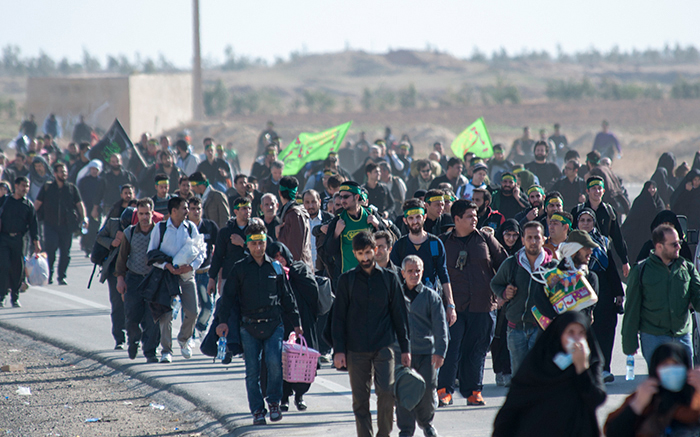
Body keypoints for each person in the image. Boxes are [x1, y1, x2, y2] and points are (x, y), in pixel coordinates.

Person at [215, 222, 302, 425]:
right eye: (254, 243)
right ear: (247, 244)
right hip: (249, 326)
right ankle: (257, 410)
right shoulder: (239, 269)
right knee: (252, 371)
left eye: (262, 242)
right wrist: (222, 323)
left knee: (274, 364)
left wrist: (297, 323)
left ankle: (273, 403)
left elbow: (287, 297)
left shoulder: (276, 267)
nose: (259, 247)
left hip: (274, 324)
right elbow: (227, 299)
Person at [332, 231, 410, 437]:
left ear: (375, 250)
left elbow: (400, 315)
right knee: (360, 401)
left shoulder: (390, 279)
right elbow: (337, 319)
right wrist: (338, 351)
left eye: (368, 252)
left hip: (384, 346)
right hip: (355, 350)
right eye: (360, 253)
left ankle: (384, 434)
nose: (365, 258)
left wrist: (405, 348)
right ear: (354, 254)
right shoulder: (346, 281)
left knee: (386, 393)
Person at [437, 200, 508, 407]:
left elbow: (505, 264)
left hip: (483, 305)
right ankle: (445, 391)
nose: (474, 219)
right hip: (453, 307)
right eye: (469, 216)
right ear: (456, 219)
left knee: (476, 350)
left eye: (475, 216)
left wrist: (503, 293)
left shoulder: (486, 239)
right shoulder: (443, 242)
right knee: (451, 348)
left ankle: (474, 391)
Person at [492, 311, 606, 437]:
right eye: (570, 333)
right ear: (559, 334)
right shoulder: (539, 362)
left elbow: (596, 398)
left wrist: (582, 368)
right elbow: (513, 406)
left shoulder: (591, 362)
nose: (576, 339)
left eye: (581, 333)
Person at [622, 224, 700, 367]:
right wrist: (629, 343)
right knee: (660, 383)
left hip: (682, 336)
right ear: (659, 246)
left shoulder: (687, 268)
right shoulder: (641, 270)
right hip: (653, 337)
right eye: (674, 244)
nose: (679, 247)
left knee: (685, 384)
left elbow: (698, 300)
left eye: (680, 243)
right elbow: (632, 309)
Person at [490, 221, 559, 374]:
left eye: (537, 237)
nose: (533, 242)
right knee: (520, 376)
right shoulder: (512, 263)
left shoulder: (552, 266)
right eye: (529, 238)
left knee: (539, 374)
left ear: (543, 239)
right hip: (515, 329)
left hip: (541, 328)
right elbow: (495, 283)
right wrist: (504, 293)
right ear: (522, 240)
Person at [147, 197, 205, 363]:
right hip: (166, 276)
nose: (187, 211)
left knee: (192, 311)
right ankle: (166, 350)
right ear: (173, 211)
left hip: (186, 275)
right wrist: (167, 265)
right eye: (184, 208)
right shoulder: (161, 228)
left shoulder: (190, 227)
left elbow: (201, 251)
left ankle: (184, 338)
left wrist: (191, 266)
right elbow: (151, 253)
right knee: (166, 314)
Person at [396, 255, 448, 437]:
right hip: (401, 353)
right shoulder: (395, 296)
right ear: (403, 273)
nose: (414, 274)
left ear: (422, 271)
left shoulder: (431, 297)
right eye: (410, 271)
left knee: (426, 392)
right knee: (404, 392)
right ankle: (406, 429)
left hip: (426, 353)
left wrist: (440, 352)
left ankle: (426, 424)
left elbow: (440, 327)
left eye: (418, 270)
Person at [266, 241, 319, 412]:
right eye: (275, 257)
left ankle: (300, 395)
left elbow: (313, 290)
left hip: (302, 323)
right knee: (282, 361)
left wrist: (293, 275)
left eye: (281, 255)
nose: (280, 259)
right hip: (281, 323)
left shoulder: (300, 268)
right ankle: (284, 397)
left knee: (303, 360)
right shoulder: (269, 273)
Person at [605, 342, 700, 437]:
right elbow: (613, 432)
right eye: (665, 365)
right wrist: (636, 405)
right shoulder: (646, 397)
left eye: (676, 364)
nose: (671, 370)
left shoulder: (695, 396)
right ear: (655, 368)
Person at [574, 208, 624, 382]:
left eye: (589, 220)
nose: (586, 223)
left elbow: (611, 267)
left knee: (605, 329)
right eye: (582, 220)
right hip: (580, 288)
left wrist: (618, 292)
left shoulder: (603, 241)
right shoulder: (571, 242)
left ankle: (604, 368)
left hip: (603, 288)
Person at [390, 199, 456, 324]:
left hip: (431, 304)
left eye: (418, 217)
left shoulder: (434, 243)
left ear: (424, 217)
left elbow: (443, 274)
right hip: (406, 305)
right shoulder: (400, 246)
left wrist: (450, 305)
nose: (415, 222)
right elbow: (393, 276)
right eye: (410, 218)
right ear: (405, 220)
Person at [115, 198, 161, 363]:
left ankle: (150, 351)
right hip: (134, 278)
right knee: (132, 314)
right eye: (141, 214)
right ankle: (133, 339)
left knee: (153, 317)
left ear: (152, 214)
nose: (144, 217)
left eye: (147, 213)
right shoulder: (130, 232)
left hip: (153, 280)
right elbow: (122, 258)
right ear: (137, 214)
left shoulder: (159, 232)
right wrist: (120, 279)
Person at [323, 181, 387, 283]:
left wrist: (378, 225)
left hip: (371, 275)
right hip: (347, 278)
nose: (342, 200)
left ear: (357, 197)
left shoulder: (370, 214)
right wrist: (336, 234)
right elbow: (328, 251)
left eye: (346, 197)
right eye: (341, 197)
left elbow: (386, 240)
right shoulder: (338, 219)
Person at [34, 162, 86, 285]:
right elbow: (37, 203)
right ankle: (49, 274)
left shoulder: (72, 188)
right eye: (61, 171)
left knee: (65, 252)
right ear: (55, 173)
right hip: (50, 225)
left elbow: (80, 204)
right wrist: (29, 217)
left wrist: (84, 218)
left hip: (66, 226)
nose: (64, 174)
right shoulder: (47, 187)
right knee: (50, 250)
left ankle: (61, 276)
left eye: (65, 171)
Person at [572, 176, 631, 277]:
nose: (597, 191)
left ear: (603, 191)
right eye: (593, 188)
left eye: (599, 188)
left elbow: (617, 237)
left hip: (603, 256)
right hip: (582, 257)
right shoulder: (578, 210)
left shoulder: (609, 211)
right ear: (587, 191)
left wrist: (624, 261)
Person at [95, 207, 134, 349]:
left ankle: (134, 336)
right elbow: (99, 237)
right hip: (114, 270)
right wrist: (113, 242)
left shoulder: (142, 226)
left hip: (133, 270)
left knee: (133, 304)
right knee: (117, 304)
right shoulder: (112, 223)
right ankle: (119, 338)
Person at [491, 219, 523, 387]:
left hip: (517, 301)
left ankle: (512, 371)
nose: (511, 239)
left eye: (514, 235)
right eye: (507, 235)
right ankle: (500, 371)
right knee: (498, 338)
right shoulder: (494, 250)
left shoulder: (522, 253)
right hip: (498, 300)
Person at [0, 177, 40, 308]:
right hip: (4, 238)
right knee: (4, 266)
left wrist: (36, 242)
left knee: (17, 268)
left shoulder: (28, 205)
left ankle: (15, 297)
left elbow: (34, 225)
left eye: (27, 186)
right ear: (16, 186)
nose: (25, 189)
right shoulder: (5, 201)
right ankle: (1, 296)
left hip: (19, 239)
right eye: (23, 186)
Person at [186, 197, 218, 338]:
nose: (196, 211)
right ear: (187, 211)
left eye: (198, 208)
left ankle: (200, 326)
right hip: (188, 274)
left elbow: (220, 249)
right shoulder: (183, 228)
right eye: (192, 209)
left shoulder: (210, 226)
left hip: (205, 273)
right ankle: (188, 335)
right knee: (188, 307)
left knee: (208, 306)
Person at [208, 196, 253, 296]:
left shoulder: (254, 231)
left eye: (249, 208)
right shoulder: (226, 232)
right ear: (236, 211)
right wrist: (212, 278)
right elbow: (218, 256)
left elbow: (261, 252)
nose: (248, 211)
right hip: (229, 277)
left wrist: (243, 244)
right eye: (244, 208)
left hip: (250, 277)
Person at [621, 181, 665, 263]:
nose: (651, 190)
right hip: (640, 235)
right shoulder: (640, 201)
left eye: (653, 188)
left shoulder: (659, 203)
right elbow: (632, 218)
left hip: (655, 235)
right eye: (649, 188)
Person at [276, 176, 312, 265]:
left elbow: (296, 249)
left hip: (298, 272)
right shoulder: (287, 213)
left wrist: (278, 234)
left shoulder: (295, 214)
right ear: (296, 194)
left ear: (279, 193)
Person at [302, 189, 332, 269]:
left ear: (319, 202)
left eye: (313, 202)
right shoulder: (299, 220)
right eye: (307, 202)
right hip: (306, 270)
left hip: (324, 269)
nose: (310, 206)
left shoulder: (328, 219)